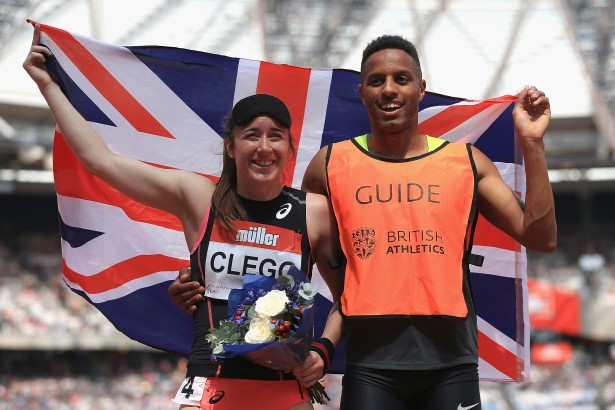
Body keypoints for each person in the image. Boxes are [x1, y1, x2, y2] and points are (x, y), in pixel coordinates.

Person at [170, 34, 557, 409]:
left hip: (451, 364)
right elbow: (287, 252)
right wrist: (208, 280)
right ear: (362, 92)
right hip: (370, 367)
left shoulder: (467, 162)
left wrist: (532, 144)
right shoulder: (329, 165)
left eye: (401, 79)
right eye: (376, 80)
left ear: (421, 89)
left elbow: (541, 237)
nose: (389, 89)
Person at [24, 24, 343, 410]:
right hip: (208, 381)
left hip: (285, 389)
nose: (263, 147)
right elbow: (101, 161)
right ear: (231, 146)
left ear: (290, 148)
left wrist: (324, 350)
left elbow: (347, 296)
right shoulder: (199, 198)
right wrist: (48, 85)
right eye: (251, 135)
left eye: (275, 136)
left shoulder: (314, 212)